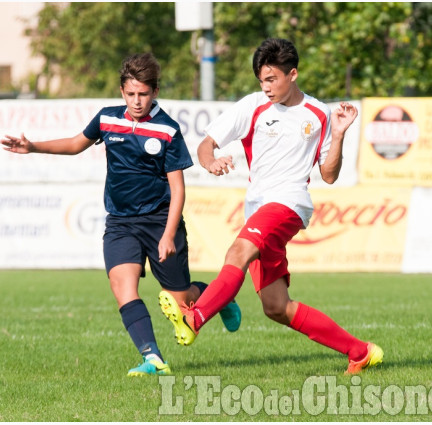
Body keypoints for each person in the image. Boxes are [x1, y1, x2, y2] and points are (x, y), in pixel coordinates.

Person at [1, 53, 241, 377]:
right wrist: (32, 147)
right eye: (131, 94)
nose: (137, 101)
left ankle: (216, 296)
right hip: (120, 222)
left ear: (154, 91)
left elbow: (179, 189)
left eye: (143, 94)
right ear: (122, 91)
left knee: (181, 298)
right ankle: (153, 358)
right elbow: (75, 144)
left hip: (159, 221)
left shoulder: (167, 130)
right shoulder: (106, 119)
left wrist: (169, 234)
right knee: (121, 287)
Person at [158, 38, 383, 375]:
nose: (266, 88)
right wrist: (211, 162)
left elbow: (330, 175)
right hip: (258, 209)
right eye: (261, 80)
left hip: (289, 205)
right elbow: (206, 144)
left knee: (237, 251)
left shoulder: (319, 113)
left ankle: (195, 317)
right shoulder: (252, 106)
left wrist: (337, 136)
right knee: (276, 307)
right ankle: (360, 351)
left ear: (293, 74)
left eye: (272, 79)